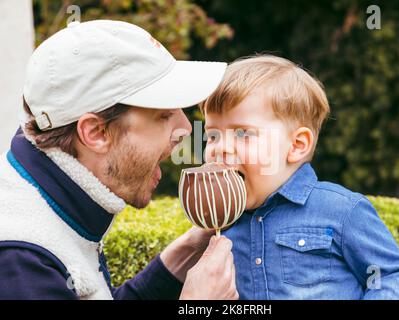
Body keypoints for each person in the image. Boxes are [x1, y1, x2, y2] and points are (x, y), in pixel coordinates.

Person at [0, 19, 238, 300]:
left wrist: (171, 267)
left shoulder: (50, 201)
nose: (186, 128)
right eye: (163, 115)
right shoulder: (20, 262)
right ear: (96, 132)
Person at [200, 54, 399, 299]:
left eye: (242, 133)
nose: (220, 148)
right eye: (213, 136)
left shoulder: (341, 210)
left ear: (296, 145)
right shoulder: (220, 225)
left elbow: (392, 275)